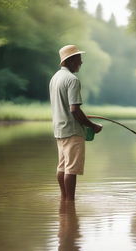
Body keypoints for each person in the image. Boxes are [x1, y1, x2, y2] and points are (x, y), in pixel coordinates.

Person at [49, 45, 102, 201]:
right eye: (78, 58)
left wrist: (83, 117)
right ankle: (70, 202)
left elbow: (66, 107)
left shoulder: (55, 78)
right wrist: (93, 126)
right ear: (70, 60)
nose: (81, 61)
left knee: (62, 167)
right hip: (72, 131)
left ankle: (64, 199)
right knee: (71, 169)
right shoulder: (72, 80)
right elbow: (74, 110)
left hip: (59, 130)